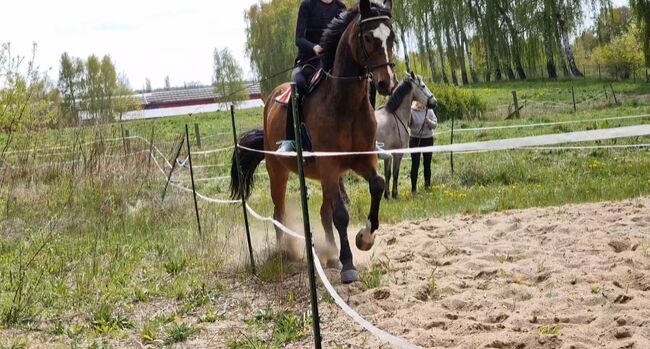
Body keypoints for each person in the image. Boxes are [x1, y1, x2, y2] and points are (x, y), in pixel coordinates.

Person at [276, 0, 347, 152]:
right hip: (307, 62)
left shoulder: (340, 8)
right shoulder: (307, 5)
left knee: (365, 81)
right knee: (299, 84)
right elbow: (299, 39)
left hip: (332, 63)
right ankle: (290, 140)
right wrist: (314, 47)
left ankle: (370, 140)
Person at [409, 100, 437, 194]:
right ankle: (413, 189)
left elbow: (435, 124)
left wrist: (428, 121)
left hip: (428, 139)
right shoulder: (411, 111)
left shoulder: (429, 110)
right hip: (414, 140)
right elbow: (408, 123)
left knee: (427, 164)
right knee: (415, 164)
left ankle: (427, 186)